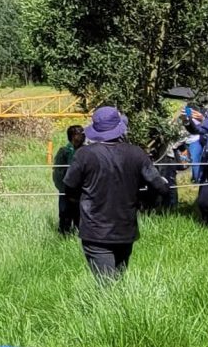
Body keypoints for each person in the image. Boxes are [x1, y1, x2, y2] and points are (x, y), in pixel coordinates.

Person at [60, 105, 172, 279]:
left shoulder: (84, 155)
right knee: (118, 281)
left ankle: (110, 306)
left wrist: (80, 203)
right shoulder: (137, 153)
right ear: (120, 129)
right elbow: (161, 187)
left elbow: (69, 188)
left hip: (95, 230)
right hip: (125, 228)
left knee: (106, 286)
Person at [50, 124, 83, 235]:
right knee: (65, 218)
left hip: (82, 192)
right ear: (71, 137)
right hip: (66, 191)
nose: (80, 138)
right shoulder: (64, 152)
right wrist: (64, 189)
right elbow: (57, 174)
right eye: (77, 135)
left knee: (81, 220)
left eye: (81, 134)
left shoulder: (86, 152)